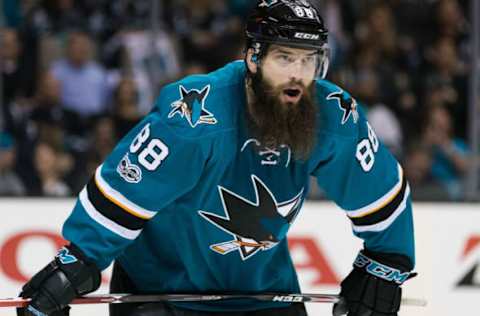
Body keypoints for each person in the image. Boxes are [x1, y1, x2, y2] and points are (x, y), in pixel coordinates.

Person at [17, 1, 415, 316]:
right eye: (285, 58)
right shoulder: (194, 117)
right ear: (254, 58)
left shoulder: (332, 115)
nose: (298, 73)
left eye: (308, 60)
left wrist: (384, 262)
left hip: (264, 292)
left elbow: (382, 194)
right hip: (162, 293)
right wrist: (76, 263)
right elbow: (121, 195)